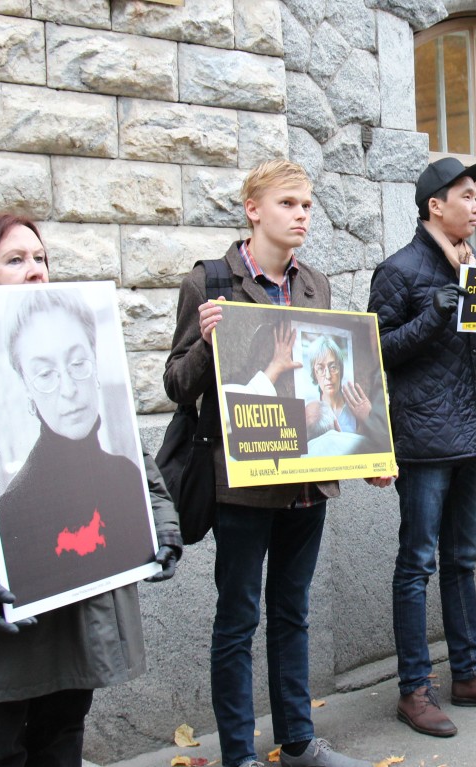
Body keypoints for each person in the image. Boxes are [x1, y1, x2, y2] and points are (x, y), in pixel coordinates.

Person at [0, 213, 181, 767]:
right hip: (1, 597)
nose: (35, 271)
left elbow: (131, 451)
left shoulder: (84, 364)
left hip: (76, 596)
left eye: (40, 258)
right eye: (15, 260)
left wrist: (158, 523)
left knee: (62, 735)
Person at [164, 160, 374, 767]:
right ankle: (239, 754)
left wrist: (367, 451)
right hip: (243, 484)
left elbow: (331, 380)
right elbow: (177, 386)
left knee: (292, 612)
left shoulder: (316, 284)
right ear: (254, 209)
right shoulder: (209, 281)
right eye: (288, 204)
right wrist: (206, 343)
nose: (301, 216)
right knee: (237, 618)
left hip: (309, 479)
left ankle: (299, 741)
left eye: (307, 206)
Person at [367, 157, 476, 738]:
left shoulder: (472, 269)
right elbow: (378, 352)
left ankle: (470, 674)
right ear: (435, 205)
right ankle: (414, 689)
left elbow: (475, 353)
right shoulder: (398, 270)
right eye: (467, 195)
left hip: (471, 433)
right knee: (417, 563)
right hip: (422, 441)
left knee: (463, 560)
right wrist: (433, 315)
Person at [0, 289, 162, 607]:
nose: (69, 390)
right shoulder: (12, 513)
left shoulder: (126, 477)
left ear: (95, 363)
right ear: (26, 386)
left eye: (77, 363)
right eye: (45, 374)